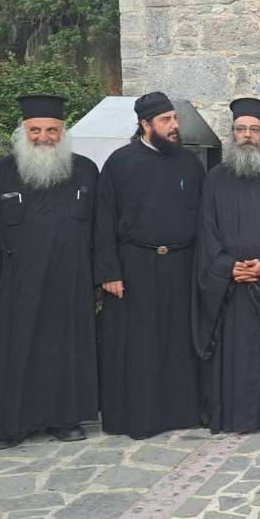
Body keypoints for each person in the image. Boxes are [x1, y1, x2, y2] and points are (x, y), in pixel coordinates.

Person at [0, 94, 99, 449]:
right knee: (17, 350)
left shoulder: (85, 171)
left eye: (51, 130)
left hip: (71, 279)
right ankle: (15, 423)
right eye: (35, 130)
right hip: (18, 282)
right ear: (23, 131)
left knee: (65, 349)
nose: (44, 137)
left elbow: (100, 229)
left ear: (63, 132)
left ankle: (65, 419)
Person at [95, 91, 206, 439]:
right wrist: (109, 271)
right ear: (145, 124)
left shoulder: (190, 163)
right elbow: (103, 220)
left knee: (178, 341)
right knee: (140, 344)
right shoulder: (120, 162)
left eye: (174, 119)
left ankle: (181, 412)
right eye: (165, 120)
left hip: (182, 264)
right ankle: (141, 417)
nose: (174, 126)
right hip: (135, 266)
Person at [193, 98, 260, 433]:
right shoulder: (215, 178)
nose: (247, 135)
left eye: (254, 129)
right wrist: (227, 266)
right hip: (228, 287)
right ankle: (231, 413)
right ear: (232, 133)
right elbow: (207, 230)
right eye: (241, 129)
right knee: (233, 352)